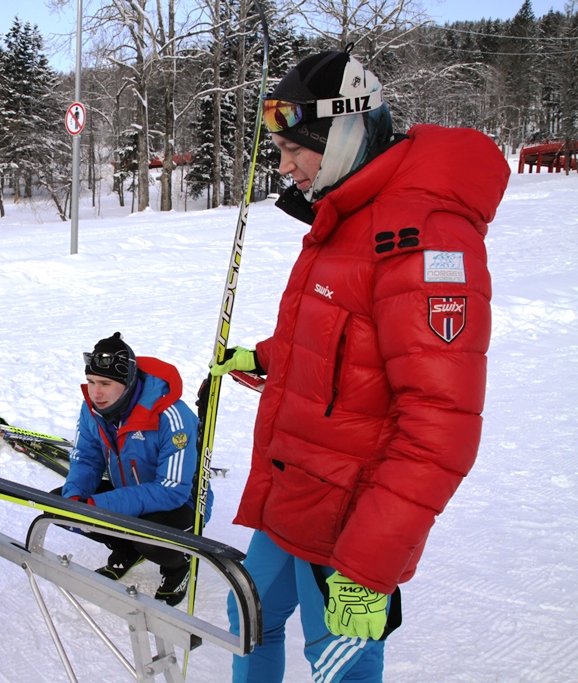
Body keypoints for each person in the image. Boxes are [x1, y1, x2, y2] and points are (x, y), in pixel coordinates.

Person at [210, 49, 510, 681]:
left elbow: (440, 427)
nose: (283, 165)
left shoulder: (426, 238)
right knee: (249, 620)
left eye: (297, 147)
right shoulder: (345, 216)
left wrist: (369, 567)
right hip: (294, 487)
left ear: (343, 131)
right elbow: (342, 337)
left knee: (338, 662)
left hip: (347, 523)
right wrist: (265, 357)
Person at [59, 332, 208, 606]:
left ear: (127, 383)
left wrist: (99, 505)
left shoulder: (172, 416)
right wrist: (75, 498)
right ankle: (126, 547)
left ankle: (178, 565)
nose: (96, 392)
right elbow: (86, 458)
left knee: (149, 535)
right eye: (91, 382)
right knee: (60, 506)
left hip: (180, 504)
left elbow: (172, 490)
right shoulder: (92, 409)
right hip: (128, 496)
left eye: (105, 383)